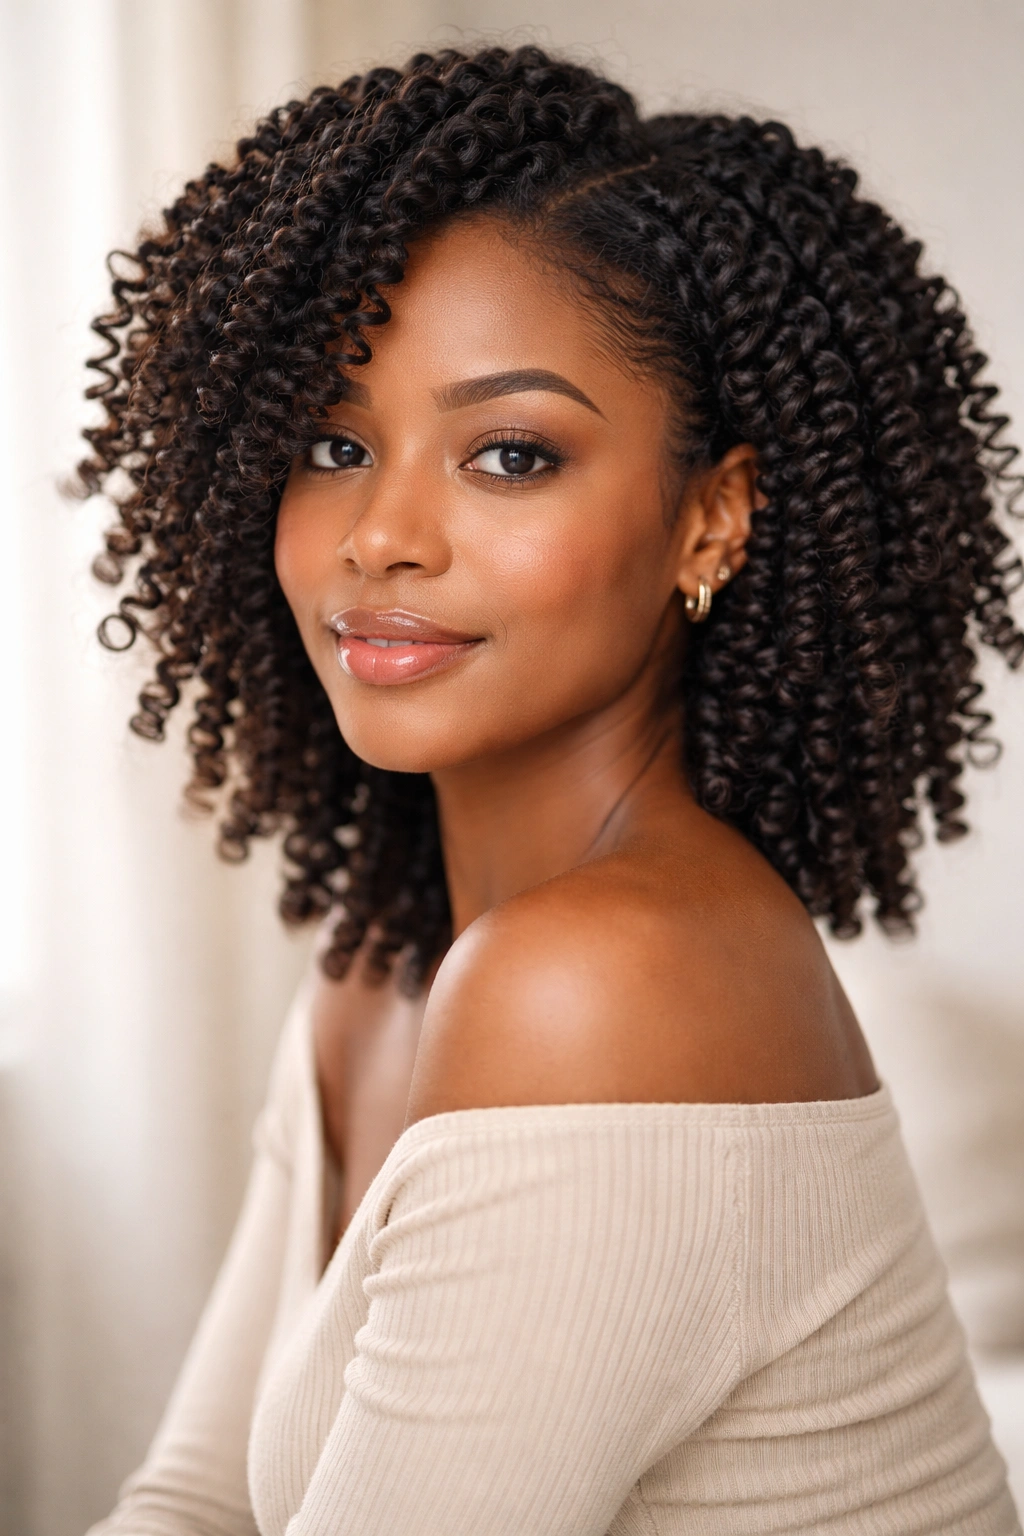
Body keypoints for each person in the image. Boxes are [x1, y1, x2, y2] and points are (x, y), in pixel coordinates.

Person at [80, 44, 1022, 1536]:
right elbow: (193, 1499)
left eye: (509, 455)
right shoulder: (379, 976)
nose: (380, 534)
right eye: (334, 443)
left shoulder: (608, 983)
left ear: (710, 517)